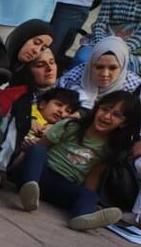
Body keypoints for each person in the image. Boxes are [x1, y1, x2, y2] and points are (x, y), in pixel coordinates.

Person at [9, 88, 138, 230]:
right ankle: (28, 190)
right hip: (39, 174)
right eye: (105, 109)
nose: (107, 116)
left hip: (63, 186)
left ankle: (82, 217)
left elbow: (92, 178)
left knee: (90, 195)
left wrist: (87, 197)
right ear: (97, 108)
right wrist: (15, 165)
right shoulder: (71, 126)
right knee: (37, 149)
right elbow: (40, 148)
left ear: (124, 123)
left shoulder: (111, 149)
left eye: (116, 115)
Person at [60, 36, 141, 108]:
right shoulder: (74, 78)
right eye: (99, 67)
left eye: (113, 68)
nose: (105, 74)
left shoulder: (135, 87)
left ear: (123, 68)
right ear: (91, 64)